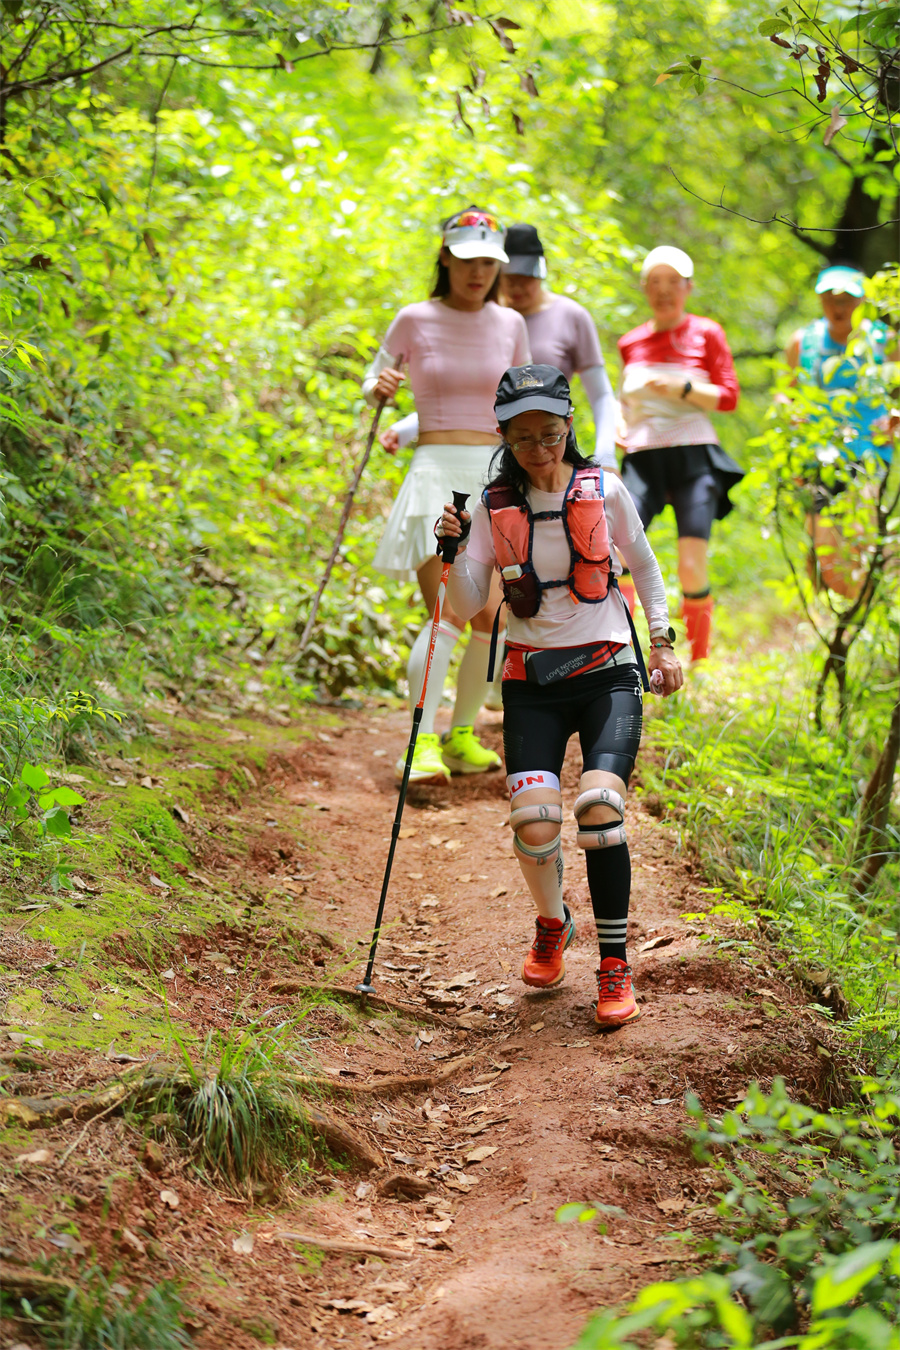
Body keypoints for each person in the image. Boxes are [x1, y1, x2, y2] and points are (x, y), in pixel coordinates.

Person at [439, 364, 682, 1028]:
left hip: (607, 672)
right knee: (535, 821)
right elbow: (463, 606)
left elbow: (648, 564)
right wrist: (451, 550)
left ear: (569, 428)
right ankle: (553, 924)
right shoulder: (492, 508)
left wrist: (661, 641)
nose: (541, 451)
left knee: (599, 809)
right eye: (523, 439)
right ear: (505, 439)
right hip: (532, 682)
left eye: (550, 434)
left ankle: (613, 964)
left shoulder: (603, 488)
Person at [362, 207, 531, 784]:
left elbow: (521, 403)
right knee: (445, 611)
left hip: (496, 474)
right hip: (437, 472)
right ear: (444, 259)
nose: (478, 272)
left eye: (488, 262)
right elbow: (376, 378)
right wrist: (380, 387)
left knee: (491, 614)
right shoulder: (414, 319)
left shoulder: (510, 325)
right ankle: (421, 741)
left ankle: (461, 735)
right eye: (466, 260)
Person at [617, 246, 742, 663]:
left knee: (691, 561)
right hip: (642, 457)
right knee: (617, 551)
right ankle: (620, 650)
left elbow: (728, 397)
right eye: (655, 282)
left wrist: (681, 388)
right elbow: (623, 400)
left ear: (688, 287)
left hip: (693, 455)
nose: (664, 291)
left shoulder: (707, 332)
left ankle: (699, 661)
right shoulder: (630, 341)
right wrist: (618, 423)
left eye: (674, 282)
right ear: (644, 288)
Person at [784, 264, 895, 599]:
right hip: (817, 455)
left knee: (859, 538)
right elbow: (785, 391)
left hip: (868, 453)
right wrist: (791, 413)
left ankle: (859, 613)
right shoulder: (803, 342)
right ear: (820, 299)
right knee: (823, 547)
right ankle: (835, 613)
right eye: (831, 297)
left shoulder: (883, 341)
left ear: (862, 300)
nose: (839, 304)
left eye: (848, 296)